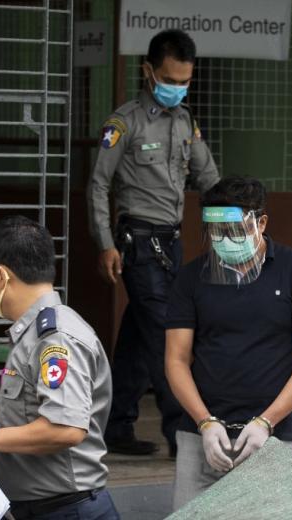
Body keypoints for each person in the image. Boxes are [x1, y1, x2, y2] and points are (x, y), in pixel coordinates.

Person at [87, 29, 219, 457]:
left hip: (172, 243)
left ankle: (117, 425)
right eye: (170, 79)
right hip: (138, 243)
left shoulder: (185, 122)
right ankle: (182, 434)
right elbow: (98, 183)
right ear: (148, 71)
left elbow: (209, 179)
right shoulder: (124, 122)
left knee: (137, 337)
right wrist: (106, 243)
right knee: (166, 336)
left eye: (184, 81)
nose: (177, 88)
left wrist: (231, 218)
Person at [165, 177, 292, 509]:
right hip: (202, 436)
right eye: (216, 232)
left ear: (261, 222)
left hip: (274, 436)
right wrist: (204, 422)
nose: (225, 240)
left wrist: (267, 421)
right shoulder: (191, 277)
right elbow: (176, 359)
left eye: (235, 230)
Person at [0, 216, 119, 520]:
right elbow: (35, 406)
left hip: (67, 510)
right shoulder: (34, 332)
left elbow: (65, 428)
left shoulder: (57, 339)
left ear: (1, 276)